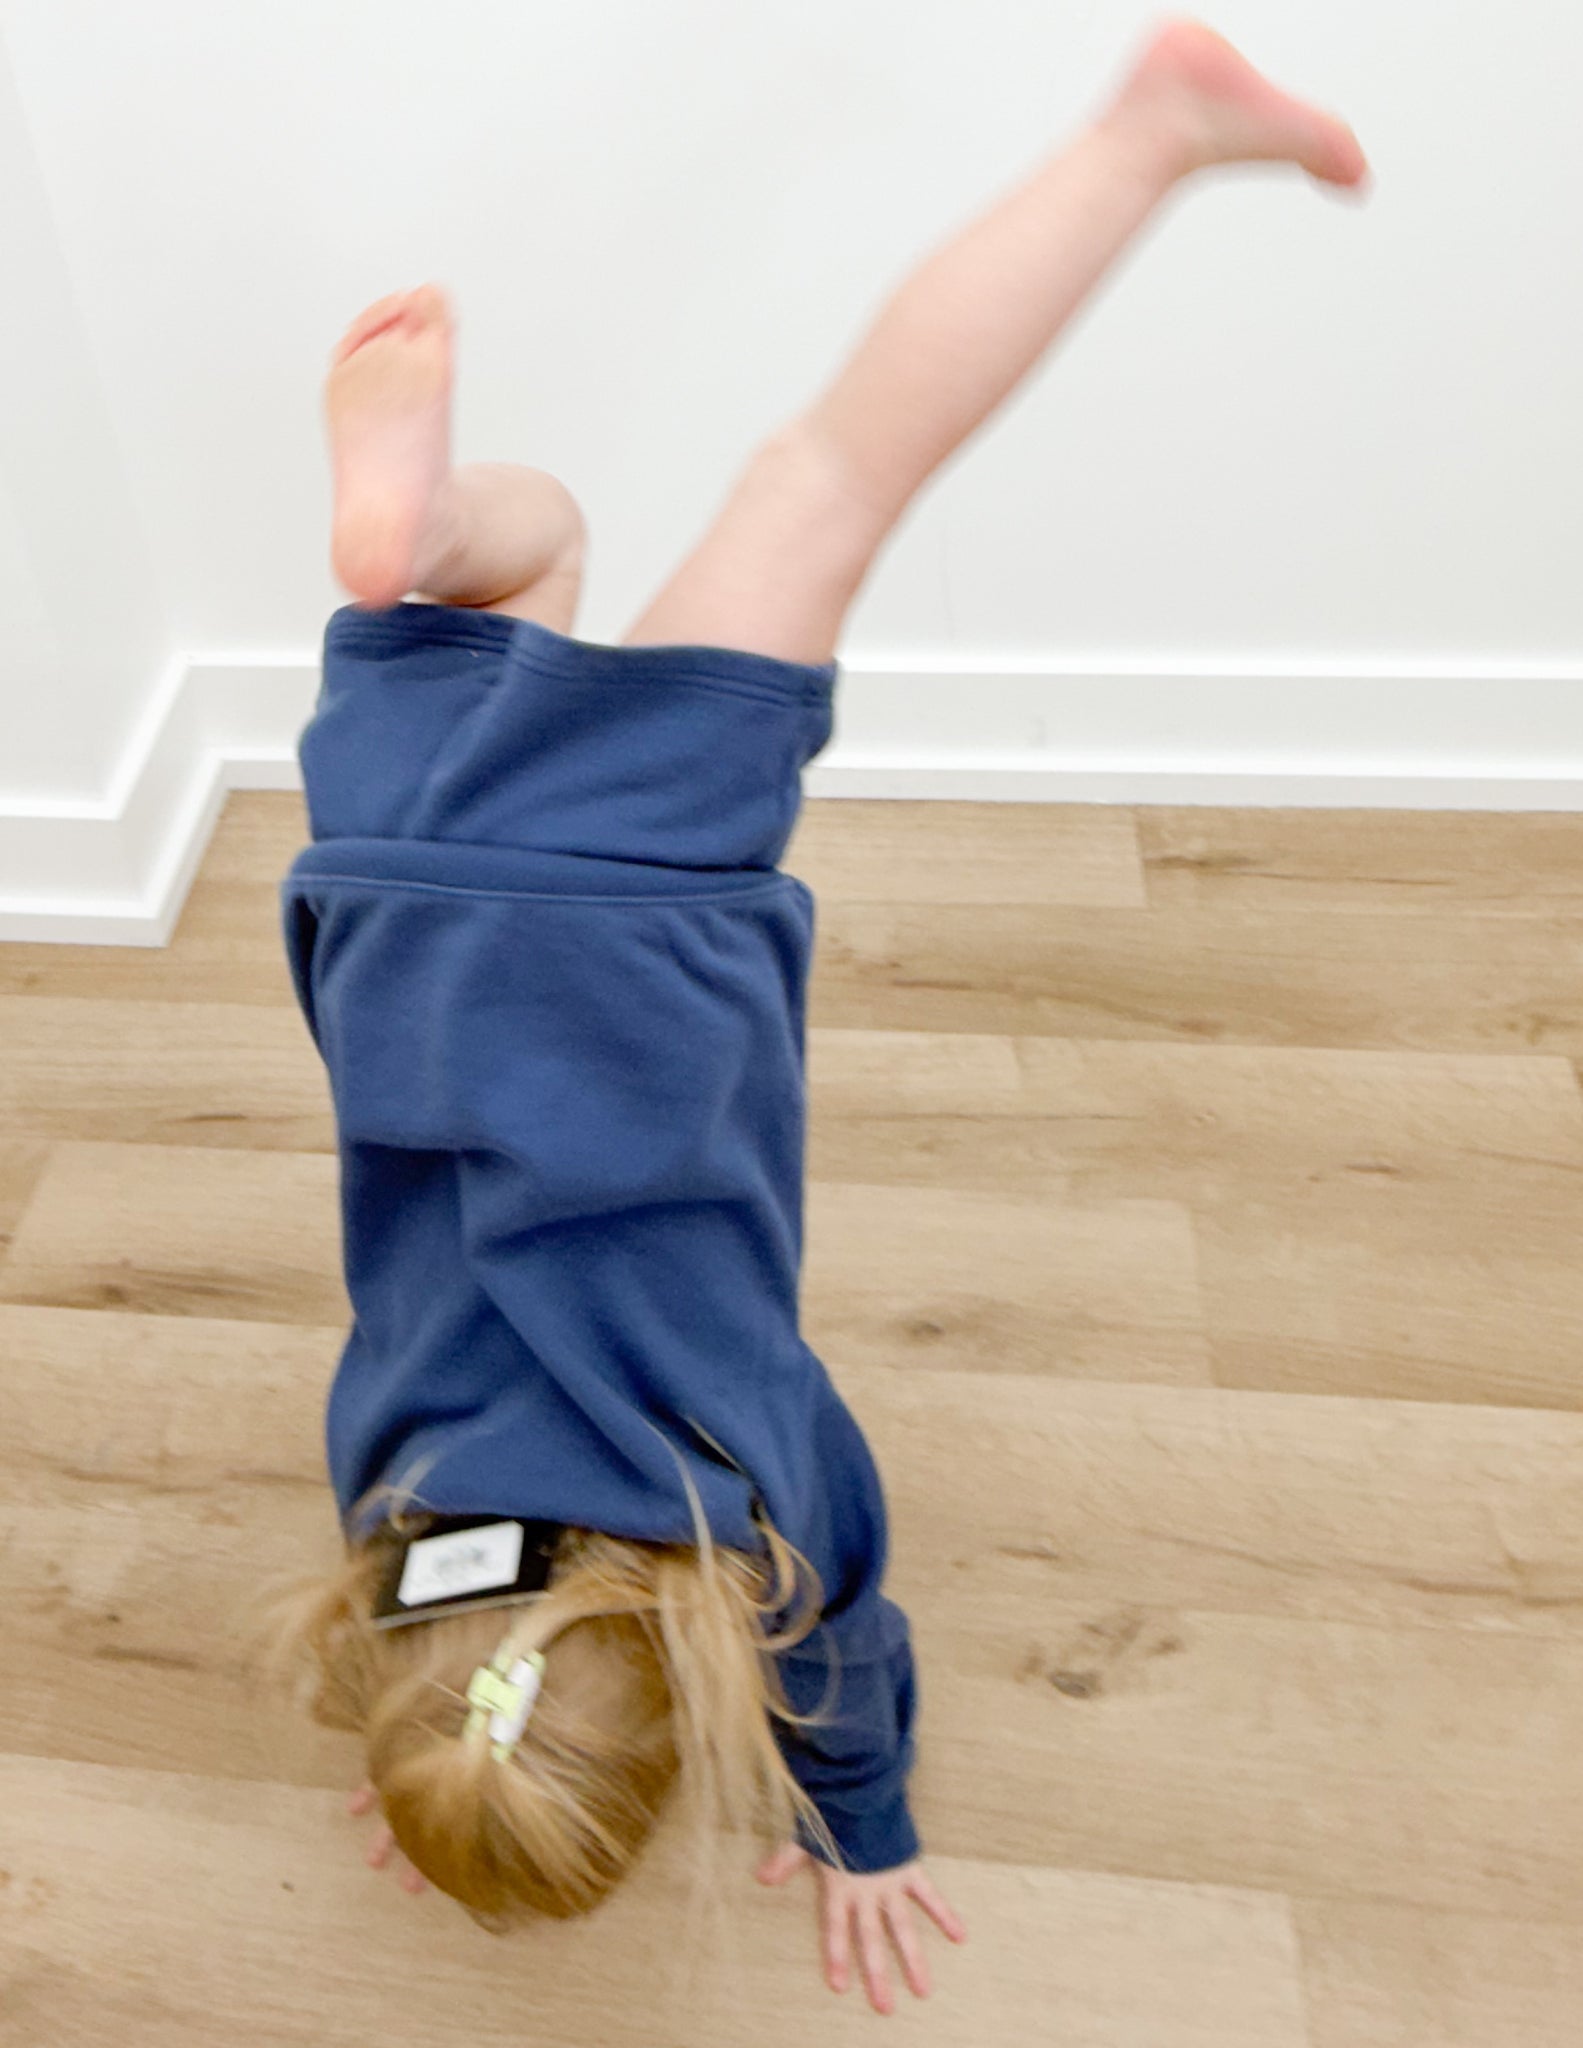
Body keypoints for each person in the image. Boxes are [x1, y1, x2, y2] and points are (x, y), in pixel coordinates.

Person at [263, 18, 1367, 2017]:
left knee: (832, 469)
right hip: (395, 911)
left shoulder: (750, 1518)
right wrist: (434, 1724)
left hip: (622, 949)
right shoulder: (388, 1515)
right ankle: (429, 558)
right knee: (548, 555)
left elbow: (845, 1658)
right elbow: (441, 1650)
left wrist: (868, 1827)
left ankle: (1154, 129)